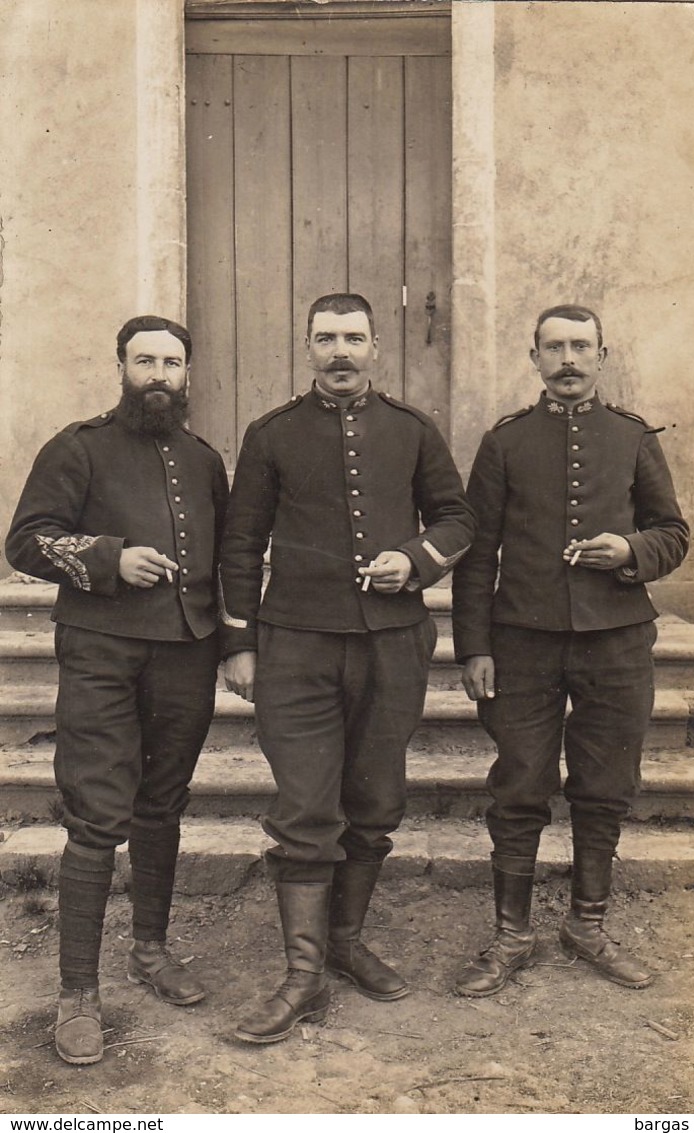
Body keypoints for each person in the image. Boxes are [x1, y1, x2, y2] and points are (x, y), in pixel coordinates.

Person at [219, 292, 476, 1043]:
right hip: (294, 645)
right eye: (325, 338)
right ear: (306, 348)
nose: (340, 351)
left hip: (391, 643)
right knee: (305, 806)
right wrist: (238, 642)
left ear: (374, 348)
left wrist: (416, 559)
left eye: (353, 338)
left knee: (375, 799)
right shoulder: (270, 435)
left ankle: (346, 941)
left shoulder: (412, 429)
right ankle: (301, 976)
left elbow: (457, 518)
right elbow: (239, 544)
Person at [5, 315, 229, 1065]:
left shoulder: (203, 459)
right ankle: (77, 992)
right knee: (99, 814)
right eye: (145, 361)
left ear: (186, 372)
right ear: (121, 366)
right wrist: (109, 557)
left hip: (186, 654)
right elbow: (26, 538)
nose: (159, 375)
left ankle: (151, 950)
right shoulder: (78, 446)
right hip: (101, 652)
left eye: (171, 362)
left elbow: (226, 559)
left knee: (163, 801)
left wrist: (232, 642)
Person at [451, 304, 689, 997]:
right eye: (552, 348)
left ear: (601, 355)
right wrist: (473, 646)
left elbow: (671, 532)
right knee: (520, 783)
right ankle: (510, 934)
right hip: (520, 643)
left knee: (604, 784)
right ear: (533, 359)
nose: (566, 361)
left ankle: (586, 924)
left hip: (616, 641)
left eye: (579, 347)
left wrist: (629, 551)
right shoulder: (503, 443)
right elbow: (475, 556)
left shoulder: (632, 436)